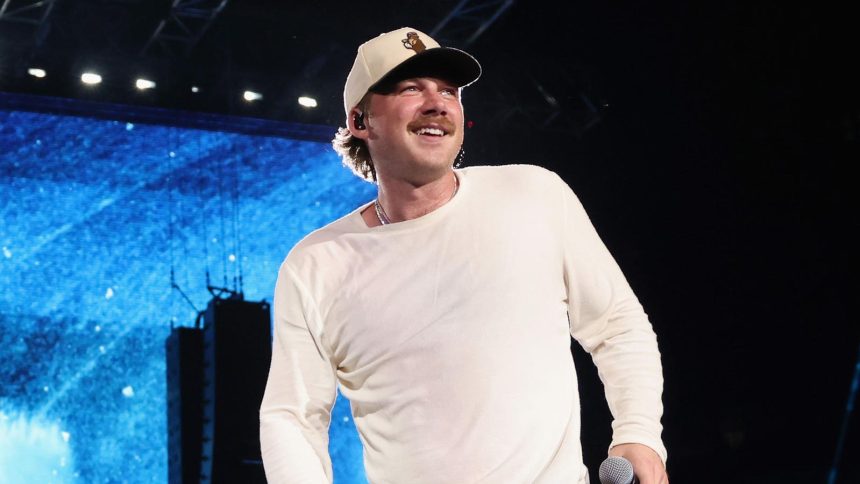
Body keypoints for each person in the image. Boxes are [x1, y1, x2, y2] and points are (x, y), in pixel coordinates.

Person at [260, 27, 669, 484]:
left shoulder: (533, 194)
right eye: (411, 88)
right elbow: (292, 417)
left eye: (448, 91)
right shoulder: (316, 263)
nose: (436, 103)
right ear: (360, 120)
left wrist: (639, 433)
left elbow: (616, 324)